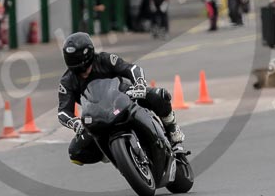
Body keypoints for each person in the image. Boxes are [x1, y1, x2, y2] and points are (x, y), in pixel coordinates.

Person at [58, 32, 185, 165]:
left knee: (159, 95)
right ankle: (109, 152)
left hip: (124, 96)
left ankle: (172, 131)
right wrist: (74, 122)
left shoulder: (104, 59)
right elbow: (63, 111)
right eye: (79, 71)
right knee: (75, 152)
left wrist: (139, 83)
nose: (84, 73)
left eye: (85, 69)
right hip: (97, 116)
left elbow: (131, 68)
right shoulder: (67, 81)